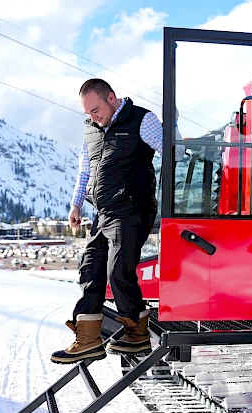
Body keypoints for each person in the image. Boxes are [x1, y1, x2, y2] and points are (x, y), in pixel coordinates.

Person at [51, 78, 184, 364]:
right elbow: (84, 169)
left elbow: (176, 152)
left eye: (96, 110)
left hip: (134, 208)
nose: (93, 118)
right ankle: (88, 340)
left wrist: (171, 126)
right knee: (91, 266)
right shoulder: (91, 130)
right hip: (105, 212)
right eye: (87, 113)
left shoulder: (140, 120)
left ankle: (136, 335)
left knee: (119, 270)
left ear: (111, 98)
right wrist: (76, 204)